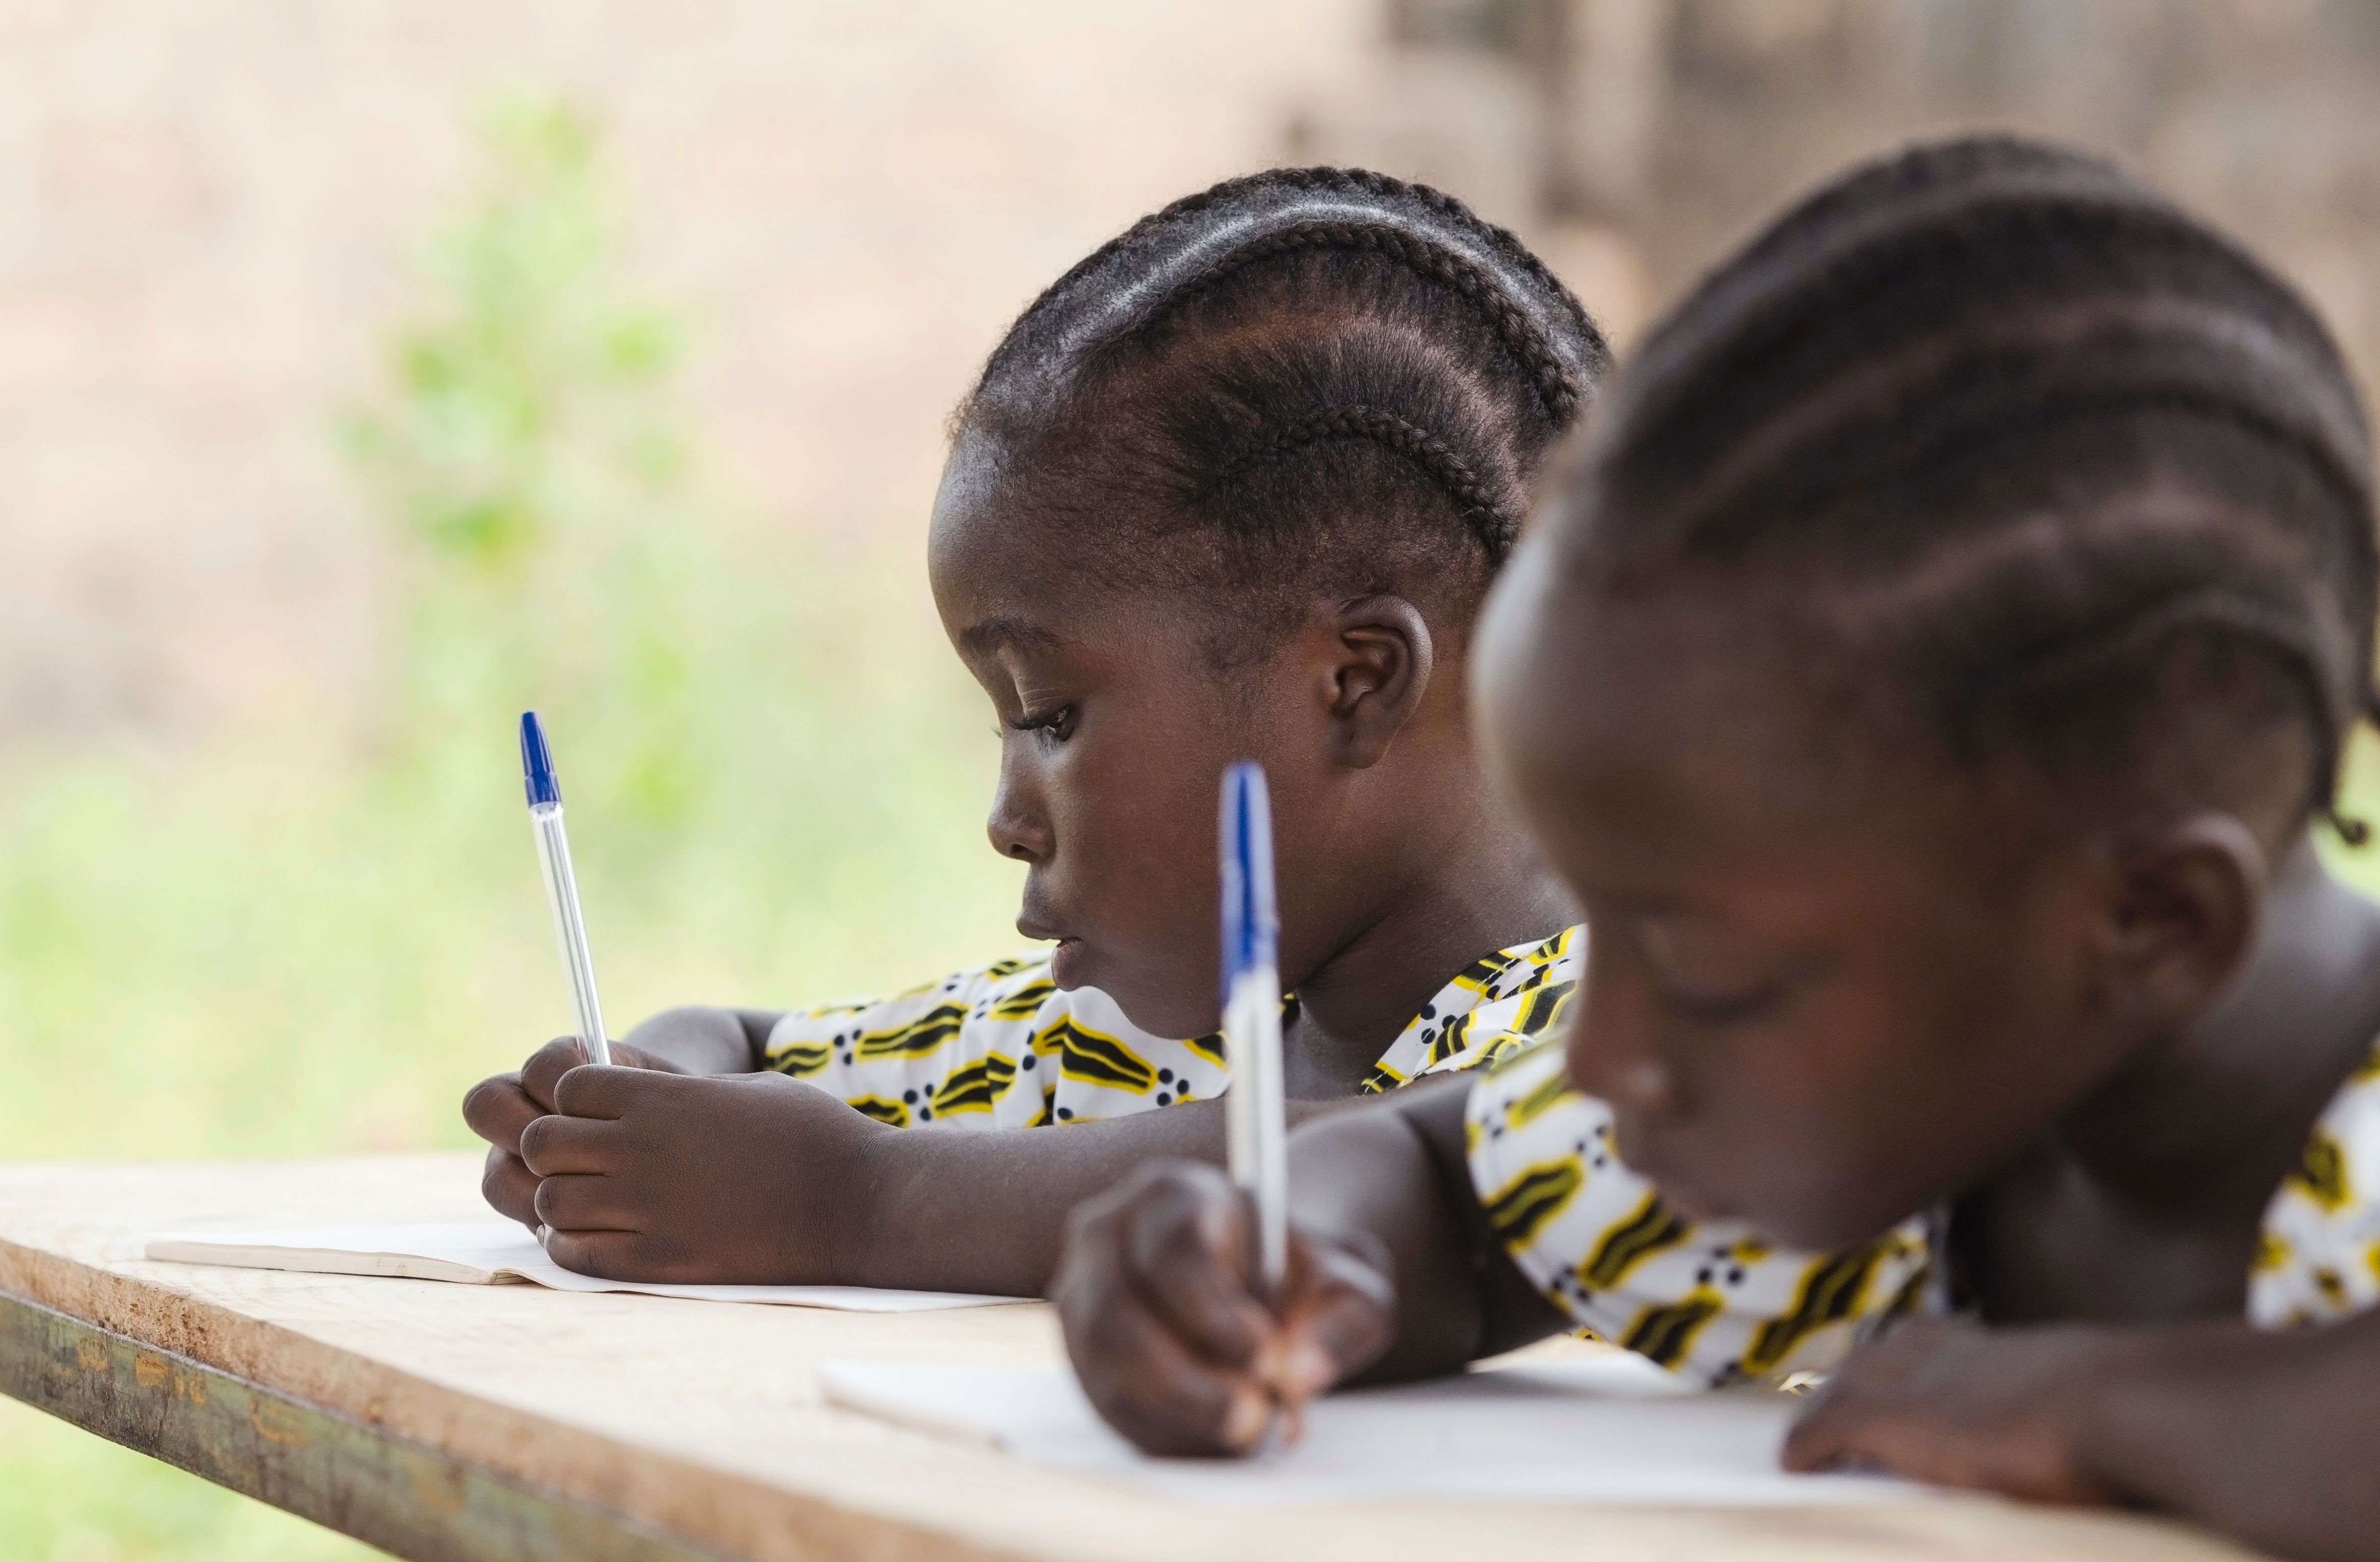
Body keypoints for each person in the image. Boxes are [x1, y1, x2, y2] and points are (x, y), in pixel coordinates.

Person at [1049, 136, 2380, 1562]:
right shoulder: (1924, 1127)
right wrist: (1266, 1271)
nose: (1602, 1062)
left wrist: (2087, 1412)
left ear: (2149, 921)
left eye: (1700, 969)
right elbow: (1449, 1197)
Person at [462, 167, 1607, 1296]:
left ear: (1353, 685)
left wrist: (847, 1200)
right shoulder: (1125, 1053)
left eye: (1052, 717)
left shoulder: (1628, 1033)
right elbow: (749, 1045)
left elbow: (1400, 1166)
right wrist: (638, 1107)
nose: (1008, 822)